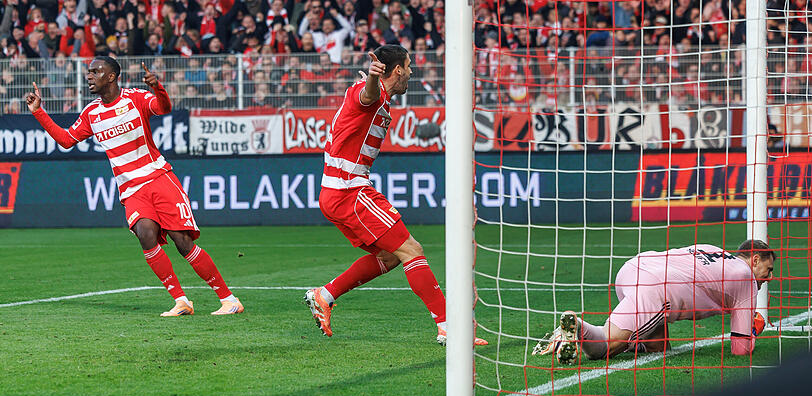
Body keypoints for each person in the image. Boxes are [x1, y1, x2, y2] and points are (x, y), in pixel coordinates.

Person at [25, 56, 244, 317]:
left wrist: (158, 88)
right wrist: (39, 111)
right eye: (89, 71)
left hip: (158, 178)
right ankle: (181, 301)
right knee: (145, 234)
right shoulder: (91, 113)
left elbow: (162, 108)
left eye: (96, 71)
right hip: (131, 189)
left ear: (112, 76)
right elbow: (66, 140)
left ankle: (229, 299)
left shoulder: (136, 98)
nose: (89, 76)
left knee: (182, 241)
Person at [304, 44, 488, 346]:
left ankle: (324, 296)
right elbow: (368, 95)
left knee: (390, 256)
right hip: (349, 191)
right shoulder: (369, 93)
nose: (412, 72)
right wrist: (374, 79)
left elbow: (370, 97)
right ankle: (448, 327)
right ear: (398, 70)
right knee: (412, 250)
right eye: (409, 65)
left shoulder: (378, 98)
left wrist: (373, 83)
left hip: (338, 192)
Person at [533, 240, 775, 363]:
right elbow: (740, 350)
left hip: (634, 267)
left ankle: (631, 338)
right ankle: (578, 326)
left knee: (659, 348)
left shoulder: (714, 250)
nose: (770, 277)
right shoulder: (746, 278)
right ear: (754, 260)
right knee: (603, 349)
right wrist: (753, 330)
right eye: (768, 268)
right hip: (657, 290)